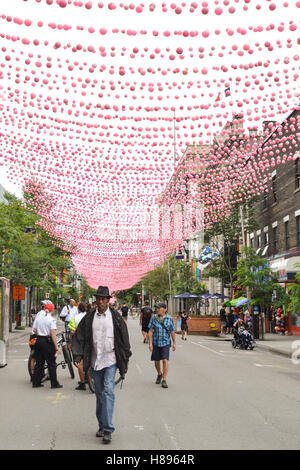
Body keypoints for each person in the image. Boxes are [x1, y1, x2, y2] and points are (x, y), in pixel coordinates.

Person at [72, 286, 132, 445]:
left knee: (108, 391)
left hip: (111, 359)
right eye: (98, 299)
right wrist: (78, 355)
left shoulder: (116, 318)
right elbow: (79, 335)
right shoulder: (89, 317)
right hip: (94, 361)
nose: (101, 302)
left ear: (108, 301)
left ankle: (108, 429)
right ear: (96, 300)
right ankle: (101, 425)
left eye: (104, 299)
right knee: (99, 395)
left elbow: (124, 339)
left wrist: (125, 360)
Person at [32, 302, 62, 389]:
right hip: (47, 342)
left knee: (39, 363)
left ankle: (36, 382)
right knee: (51, 363)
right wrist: (56, 347)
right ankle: (54, 383)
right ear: (52, 310)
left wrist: (40, 334)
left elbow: (34, 329)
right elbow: (53, 334)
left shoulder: (39, 318)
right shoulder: (51, 319)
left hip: (39, 340)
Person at [148, 302, 176, 389]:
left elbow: (172, 331)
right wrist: (150, 343)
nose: (157, 309)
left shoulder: (169, 319)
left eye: (159, 308)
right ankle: (159, 374)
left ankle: (164, 379)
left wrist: (174, 343)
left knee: (165, 360)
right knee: (156, 361)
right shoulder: (154, 318)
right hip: (156, 343)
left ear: (164, 309)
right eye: (157, 308)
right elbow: (150, 331)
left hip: (165, 343)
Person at [68, 302, 87, 391]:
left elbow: (72, 332)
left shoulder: (75, 318)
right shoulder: (89, 317)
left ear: (78, 309)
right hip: (88, 342)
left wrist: (71, 343)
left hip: (78, 342)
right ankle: (87, 377)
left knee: (78, 362)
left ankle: (82, 383)